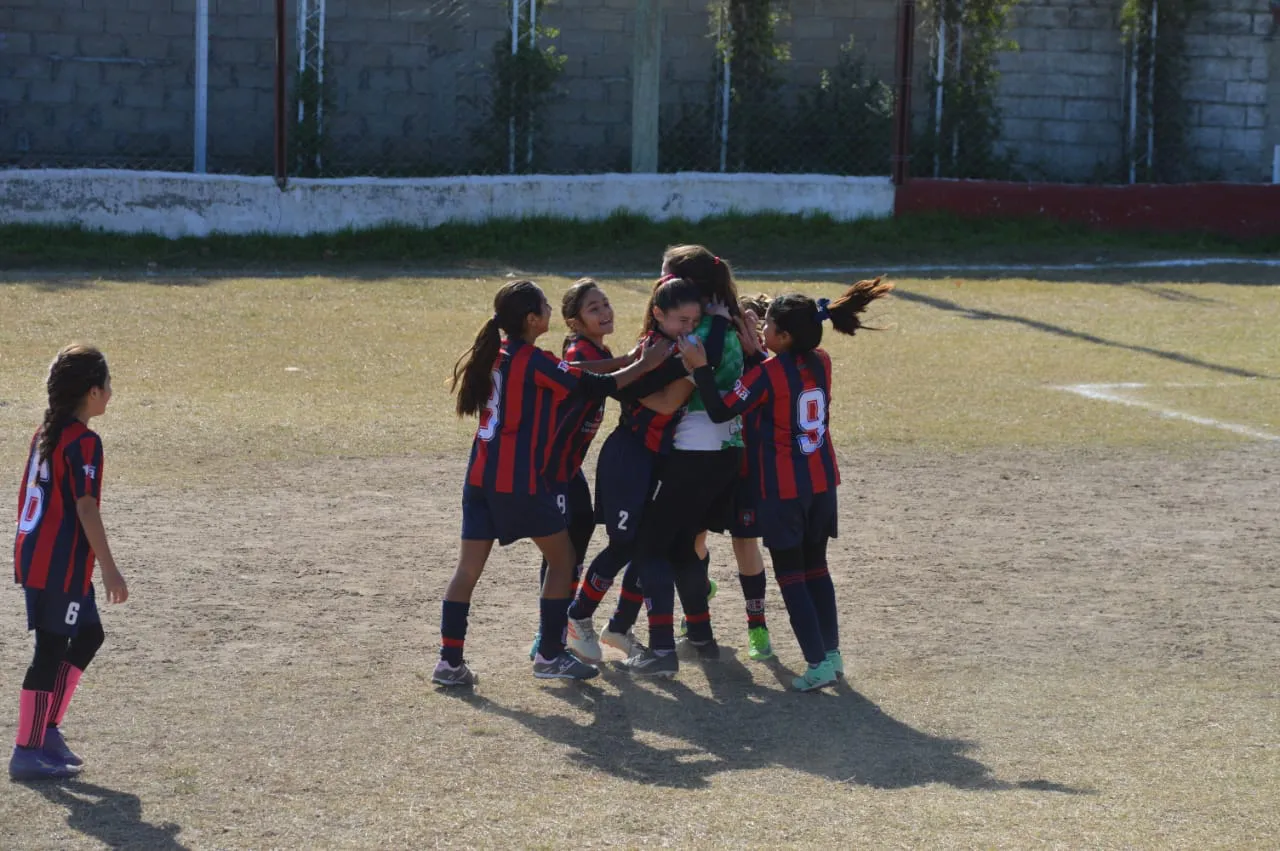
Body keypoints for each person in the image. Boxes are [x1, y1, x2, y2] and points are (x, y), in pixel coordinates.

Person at [434, 280, 667, 687]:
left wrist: (626, 359)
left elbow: (576, 373)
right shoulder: (532, 359)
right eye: (544, 305)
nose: (549, 310)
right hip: (519, 482)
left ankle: (449, 662)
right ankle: (550, 654)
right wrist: (645, 364)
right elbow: (591, 384)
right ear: (531, 319)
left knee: (467, 570)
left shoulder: (500, 354)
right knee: (563, 561)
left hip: (480, 478)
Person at [678, 279, 894, 691]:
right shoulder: (822, 361)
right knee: (818, 570)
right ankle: (831, 655)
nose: (763, 334)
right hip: (821, 485)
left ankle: (815, 665)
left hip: (784, 492)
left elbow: (723, 409)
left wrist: (700, 367)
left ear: (785, 335)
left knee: (792, 577)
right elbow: (782, 377)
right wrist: (761, 352)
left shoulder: (768, 374)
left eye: (769, 328)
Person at [562, 276, 727, 663]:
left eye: (694, 321)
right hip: (629, 455)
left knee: (648, 544)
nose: (688, 328)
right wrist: (683, 369)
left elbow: (654, 392)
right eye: (680, 321)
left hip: (659, 457)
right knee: (625, 543)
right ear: (658, 314)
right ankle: (577, 617)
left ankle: (618, 626)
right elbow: (641, 394)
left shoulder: (676, 347)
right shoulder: (655, 347)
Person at [11, 344, 128, 780]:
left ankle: (47, 730)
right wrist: (110, 568)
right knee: (50, 651)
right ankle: (27, 748)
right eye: (109, 385)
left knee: (89, 635)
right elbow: (85, 508)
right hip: (56, 566)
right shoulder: (84, 442)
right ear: (93, 392)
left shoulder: (47, 431)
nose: (112, 393)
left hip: (53, 562)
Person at [529, 279, 627, 659]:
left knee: (578, 539)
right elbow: (577, 369)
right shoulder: (578, 349)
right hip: (549, 469)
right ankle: (547, 635)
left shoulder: (601, 350)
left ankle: (561, 627)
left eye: (605, 304)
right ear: (574, 322)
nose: (605, 312)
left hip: (569, 468)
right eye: (593, 308)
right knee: (560, 554)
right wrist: (630, 362)